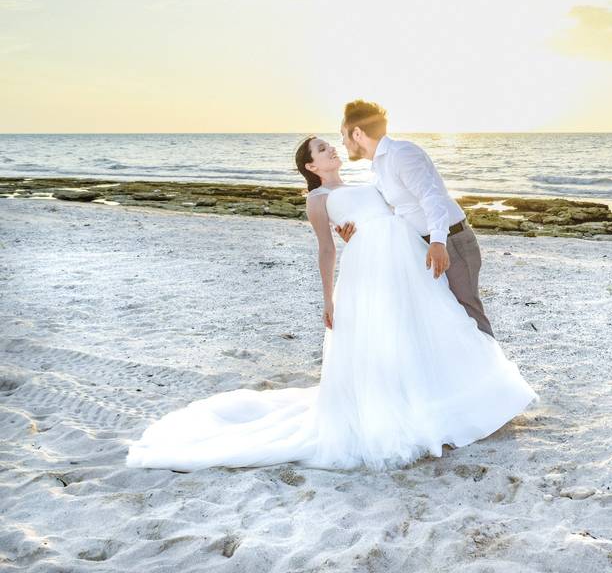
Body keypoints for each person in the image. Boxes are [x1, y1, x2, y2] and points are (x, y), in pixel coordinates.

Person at [123, 135, 539, 473]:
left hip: (404, 266)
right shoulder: (318, 200)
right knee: (385, 337)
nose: (331, 151)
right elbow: (327, 249)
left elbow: (401, 210)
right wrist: (327, 296)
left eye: (330, 145)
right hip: (367, 274)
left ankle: (451, 397)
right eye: (322, 149)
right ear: (311, 166)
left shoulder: (371, 182)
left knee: (434, 325)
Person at [336, 100, 495, 338]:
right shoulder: (379, 168)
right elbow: (390, 214)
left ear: (357, 133)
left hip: (451, 241)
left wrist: (439, 243)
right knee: (441, 316)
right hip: (424, 247)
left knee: (468, 313)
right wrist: (356, 235)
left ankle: (492, 372)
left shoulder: (402, 154)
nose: (342, 141)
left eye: (343, 135)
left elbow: (432, 198)